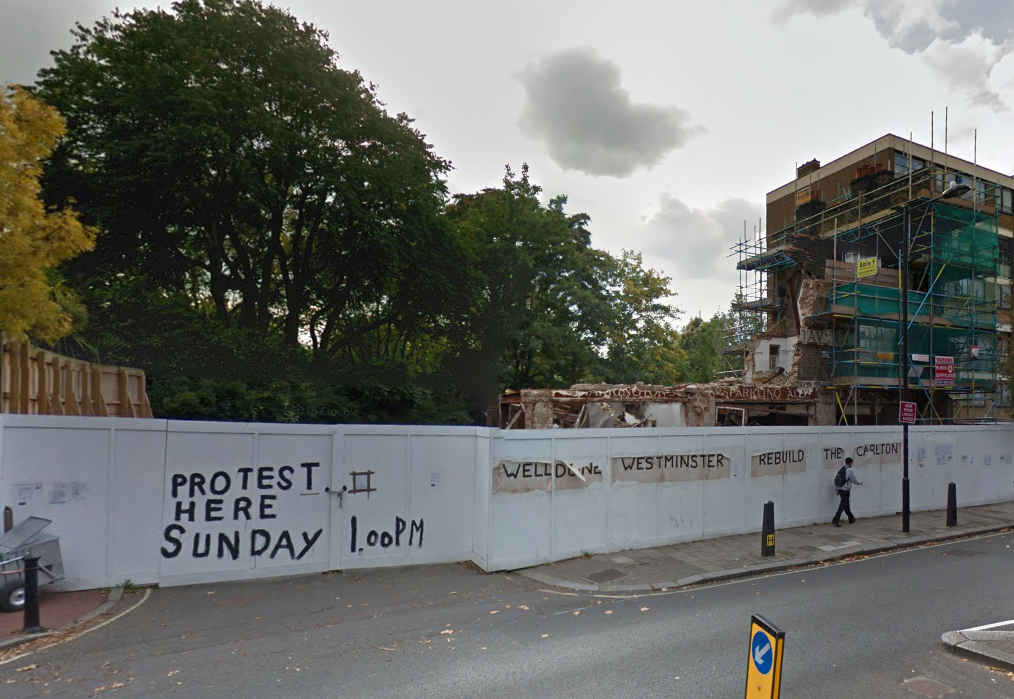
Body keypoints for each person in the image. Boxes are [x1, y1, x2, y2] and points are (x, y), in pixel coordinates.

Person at [832, 457, 863, 527]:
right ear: (850, 463)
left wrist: (837, 489)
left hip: (840, 488)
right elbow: (854, 480)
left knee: (846, 505)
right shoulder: (849, 470)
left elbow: (837, 480)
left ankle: (851, 518)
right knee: (842, 505)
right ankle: (835, 520)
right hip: (845, 490)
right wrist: (860, 483)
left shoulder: (842, 469)